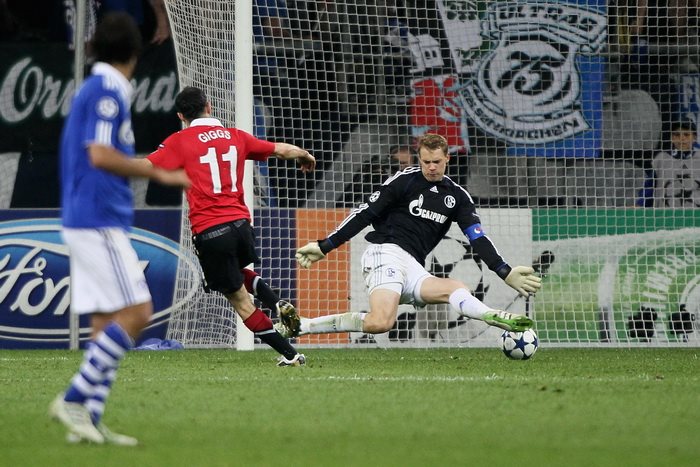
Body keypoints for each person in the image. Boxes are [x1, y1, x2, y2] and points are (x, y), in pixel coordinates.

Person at [49, 12, 191, 446]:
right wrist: (158, 172)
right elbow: (99, 154)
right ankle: (73, 398)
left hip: (85, 215)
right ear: (135, 52)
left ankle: (87, 421)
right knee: (138, 312)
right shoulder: (108, 89)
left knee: (105, 321)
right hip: (98, 218)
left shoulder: (95, 88)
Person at [285, 133, 541, 339]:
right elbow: (364, 214)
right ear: (419, 159)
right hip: (386, 253)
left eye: (436, 161)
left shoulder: (458, 197)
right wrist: (325, 246)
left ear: (447, 158)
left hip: (414, 267)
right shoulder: (404, 181)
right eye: (426, 162)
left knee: (457, 289)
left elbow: (477, 238)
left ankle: (491, 316)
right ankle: (305, 326)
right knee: (382, 322)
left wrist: (504, 271)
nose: (431, 167)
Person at [142, 86, 316, 366]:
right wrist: (304, 154)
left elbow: (147, 167)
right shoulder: (236, 136)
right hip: (241, 225)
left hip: (210, 229)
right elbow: (279, 150)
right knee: (237, 273)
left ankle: (292, 355)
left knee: (241, 303)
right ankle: (277, 303)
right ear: (209, 106)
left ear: (181, 116)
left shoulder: (179, 141)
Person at [649, 120, 700, 207]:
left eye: (686, 135)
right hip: (665, 214)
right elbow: (649, 187)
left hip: (695, 214)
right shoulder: (661, 159)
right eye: (677, 135)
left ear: (694, 138)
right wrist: (640, 204)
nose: (682, 138)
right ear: (672, 138)